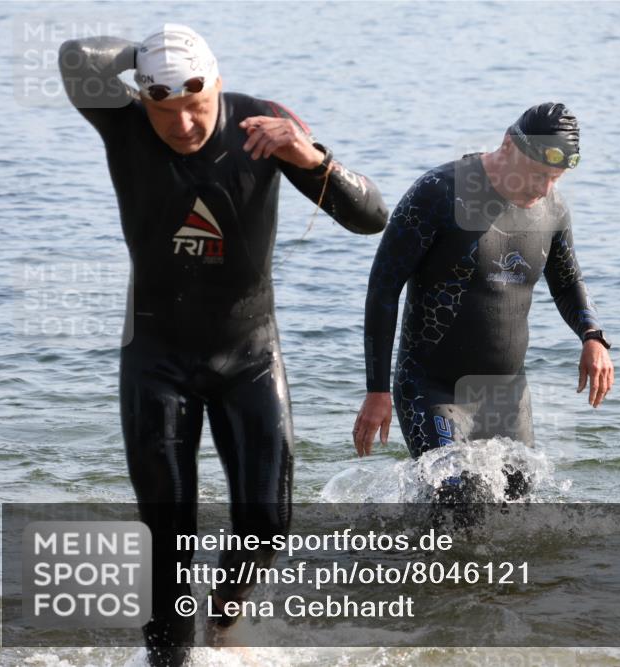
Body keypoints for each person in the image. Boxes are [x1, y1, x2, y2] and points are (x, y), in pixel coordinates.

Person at [58, 24, 387, 665]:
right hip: (157, 361)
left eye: (195, 103)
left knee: (267, 527)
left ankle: (220, 624)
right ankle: (170, 659)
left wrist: (309, 157)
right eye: (165, 108)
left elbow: (371, 217)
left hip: (249, 357)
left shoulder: (263, 126)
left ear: (217, 82)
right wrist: (152, 52)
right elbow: (75, 58)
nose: (182, 124)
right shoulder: (122, 124)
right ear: (143, 98)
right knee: (168, 538)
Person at [353, 102, 614, 498]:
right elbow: (384, 289)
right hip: (433, 389)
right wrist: (376, 391)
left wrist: (592, 336)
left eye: (555, 178)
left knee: (518, 509)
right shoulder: (439, 193)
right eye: (538, 175)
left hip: (508, 396)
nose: (543, 189)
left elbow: (567, 282)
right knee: (457, 501)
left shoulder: (553, 208)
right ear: (509, 146)